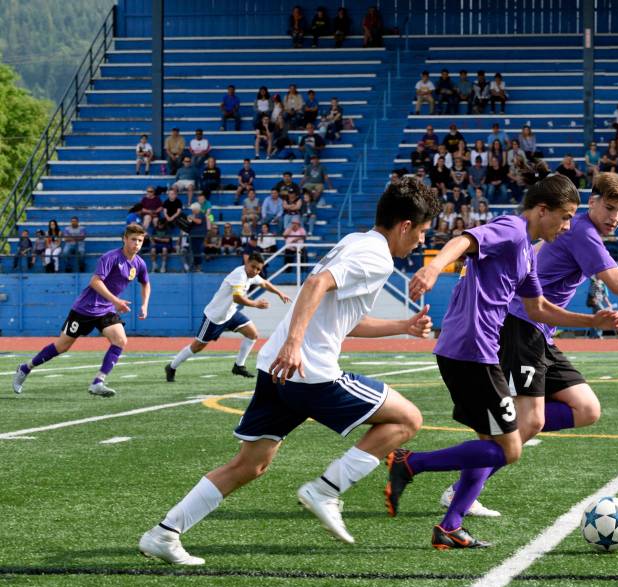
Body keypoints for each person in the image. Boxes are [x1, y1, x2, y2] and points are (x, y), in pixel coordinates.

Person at [139, 177, 441, 566]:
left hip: (275, 369)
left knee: (251, 464)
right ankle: (327, 490)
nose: (419, 242)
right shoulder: (376, 255)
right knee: (407, 419)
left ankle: (164, 533)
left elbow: (345, 318)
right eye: (421, 232)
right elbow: (314, 284)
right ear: (405, 226)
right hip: (309, 371)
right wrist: (295, 343)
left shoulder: (356, 241)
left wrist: (403, 326)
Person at [383, 175, 618, 548]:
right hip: (471, 351)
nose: (567, 226)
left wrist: (592, 321)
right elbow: (465, 239)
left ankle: (448, 524)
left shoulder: (528, 252)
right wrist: (433, 268)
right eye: (564, 217)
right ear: (542, 210)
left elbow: (539, 308)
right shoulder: (512, 229)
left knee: (503, 439)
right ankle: (411, 464)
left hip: (481, 353)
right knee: (510, 446)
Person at [434, 173, 618, 518]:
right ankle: (462, 487)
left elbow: (540, 262)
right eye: (609, 208)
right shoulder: (581, 231)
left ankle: (495, 433)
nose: (614, 218)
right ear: (591, 202)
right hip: (521, 327)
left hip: (540, 330)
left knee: (586, 409)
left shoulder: (573, 230)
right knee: (527, 423)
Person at [13, 225, 150, 398]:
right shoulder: (111, 257)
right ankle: (25, 368)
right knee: (62, 346)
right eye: (133, 240)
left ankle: (98, 382)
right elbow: (95, 281)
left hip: (105, 310)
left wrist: (144, 305)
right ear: (124, 239)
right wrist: (116, 300)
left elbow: (146, 283)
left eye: (140, 240)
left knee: (120, 340)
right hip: (85, 309)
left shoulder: (139, 263)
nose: (136, 244)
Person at [166, 253, 291, 382]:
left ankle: (239, 366)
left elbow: (264, 283)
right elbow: (237, 298)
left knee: (252, 334)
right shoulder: (240, 275)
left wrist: (279, 293)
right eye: (253, 267)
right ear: (247, 263)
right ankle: (171, 367)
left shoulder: (251, 275)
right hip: (214, 317)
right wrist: (256, 304)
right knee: (197, 346)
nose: (255, 271)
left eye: (259, 269)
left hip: (230, 314)